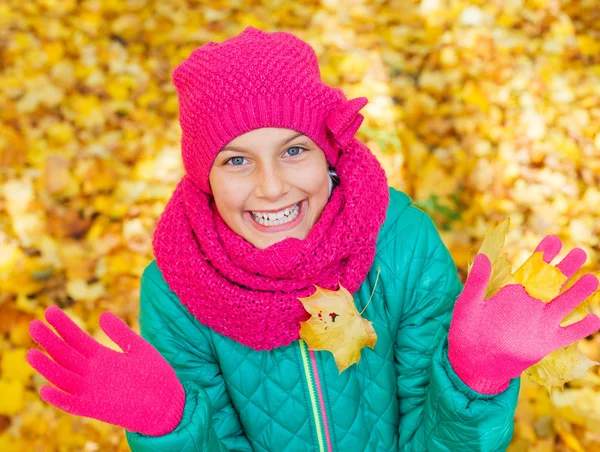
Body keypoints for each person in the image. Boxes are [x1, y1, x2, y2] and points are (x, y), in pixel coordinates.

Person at [26, 26, 600, 451]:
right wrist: (172, 429)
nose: (271, 187)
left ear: (330, 153)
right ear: (204, 176)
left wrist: (473, 383)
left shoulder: (402, 247)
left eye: (294, 150)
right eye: (236, 161)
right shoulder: (178, 290)